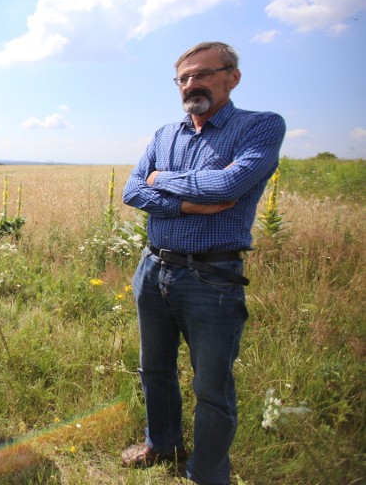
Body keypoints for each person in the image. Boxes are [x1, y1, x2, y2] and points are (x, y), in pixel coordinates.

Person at [121, 42, 285, 485]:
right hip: (153, 269)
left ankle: (207, 474)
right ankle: (163, 442)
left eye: (203, 74)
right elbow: (132, 191)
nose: (192, 84)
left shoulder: (260, 127)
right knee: (154, 367)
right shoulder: (164, 135)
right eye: (184, 78)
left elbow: (230, 183)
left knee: (211, 387)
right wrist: (188, 206)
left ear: (232, 77)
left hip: (211, 277)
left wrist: (163, 180)